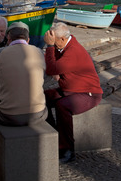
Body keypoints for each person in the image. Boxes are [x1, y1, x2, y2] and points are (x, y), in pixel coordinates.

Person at [44, 22, 103, 163]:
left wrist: (50, 47)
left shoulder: (73, 51)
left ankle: (67, 149)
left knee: (62, 106)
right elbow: (54, 66)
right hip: (69, 89)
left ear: (62, 39)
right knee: (41, 98)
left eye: (54, 40)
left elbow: (52, 69)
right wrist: (53, 49)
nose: (52, 43)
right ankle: (54, 135)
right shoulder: (65, 45)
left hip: (88, 93)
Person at [0, 21, 47, 126]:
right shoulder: (39, 52)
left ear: (8, 39)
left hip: (8, 116)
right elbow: (44, 78)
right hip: (38, 115)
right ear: (28, 40)